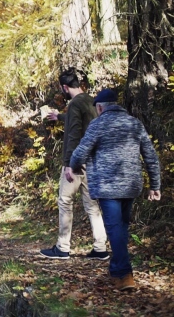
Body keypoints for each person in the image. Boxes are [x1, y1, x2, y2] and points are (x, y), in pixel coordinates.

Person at [70, 88, 161, 291]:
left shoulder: (98, 124)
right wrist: (155, 185)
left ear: (100, 107)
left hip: (107, 187)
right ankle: (115, 268)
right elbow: (151, 156)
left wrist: (74, 167)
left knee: (114, 229)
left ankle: (125, 274)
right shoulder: (134, 123)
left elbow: (79, 154)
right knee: (121, 228)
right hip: (131, 186)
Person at [40, 68, 108, 260]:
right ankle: (100, 248)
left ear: (65, 87)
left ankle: (62, 247)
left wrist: (70, 163)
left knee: (64, 201)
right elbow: (83, 123)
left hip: (77, 162)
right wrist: (60, 117)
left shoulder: (74, 105)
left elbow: (73, 134)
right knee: (92, 205)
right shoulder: (90, 101)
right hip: (92, 161)